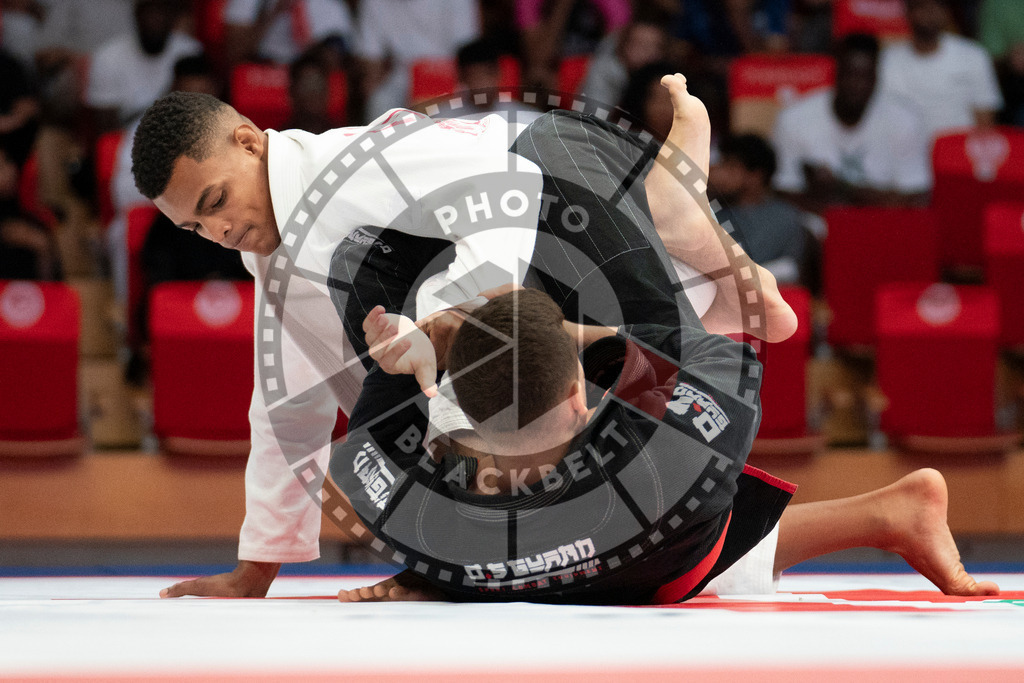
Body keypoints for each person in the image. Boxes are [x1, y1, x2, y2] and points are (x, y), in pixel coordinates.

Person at [129, 74, 796, 599]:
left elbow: (514, 183)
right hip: (554, 307)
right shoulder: (271, 252)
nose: (216, 232)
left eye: (214, 203)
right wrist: (257, 567)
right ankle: (675, 211)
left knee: (649, 347)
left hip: (563, 205)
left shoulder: (358, 166)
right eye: (194, 228)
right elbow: (288, 410)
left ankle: (673, 210)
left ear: (249, 141)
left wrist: (450, 357)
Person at [772, 33, 931, 212]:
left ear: (876, 78)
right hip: (817, 228)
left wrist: (841, 188)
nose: (857, 85)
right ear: (836, 74)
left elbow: (915, 197)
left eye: (865, 77)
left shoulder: (906, 120)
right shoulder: (794, 119)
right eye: (850, 74)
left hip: (883, 226)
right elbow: (783, 195)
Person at [878, 0, 1002, 141]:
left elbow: (985, 123)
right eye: (921, 6)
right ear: (907, 12)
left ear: (946, 13)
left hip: (957, 155)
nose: (929, 12)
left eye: (936, 6)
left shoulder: (973, 56)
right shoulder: (887, 60)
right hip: (902, 153)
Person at [712, 133, 821, 291]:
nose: (719, 173)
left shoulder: (783, 217)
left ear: (755, 176)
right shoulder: (715, 212)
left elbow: (751, 266)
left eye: (730, 166)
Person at [85, 0, 203, 132]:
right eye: (149, 12)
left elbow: (201, 110)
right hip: (127, 140)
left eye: (161, 12)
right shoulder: (108, 56)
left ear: (172, 16)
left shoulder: (190, 51)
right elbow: (106, 126)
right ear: (136, 14)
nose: (155, 19)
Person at [353, 0, 480, 119]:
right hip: (402, 78)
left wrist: (427, 84)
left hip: (450, 74)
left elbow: (468, 51)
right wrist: (369, 82)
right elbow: (370, 57)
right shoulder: (374, 2)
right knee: (379, 102)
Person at [222, 0, 353, 71]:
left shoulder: (333, 6)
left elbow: (337, 62)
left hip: (310, 75)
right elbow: (235, 53)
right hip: (264, 71)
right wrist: (273, 13)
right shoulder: (254, 4)